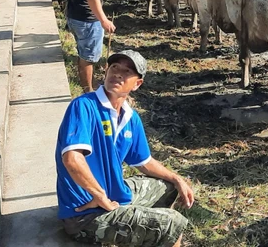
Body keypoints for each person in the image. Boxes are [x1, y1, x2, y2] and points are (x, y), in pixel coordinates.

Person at [55, 49, 194, 247]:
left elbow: (144, 162)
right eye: (114, 67)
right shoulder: (84, 106)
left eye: (128, 71)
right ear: (106, 72)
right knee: (172, 223)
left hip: (112, 199)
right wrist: (99, 195)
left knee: (168, 187)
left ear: (137, 84)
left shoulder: (130, 117)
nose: (118, 73)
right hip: (84, 216)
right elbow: (72, 159)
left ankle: (140, 234)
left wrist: (176, 178)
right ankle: (151, 232)